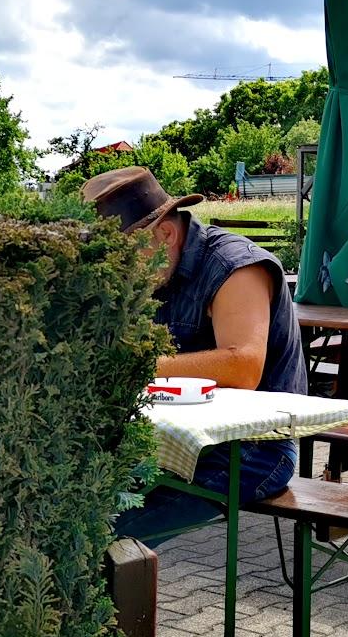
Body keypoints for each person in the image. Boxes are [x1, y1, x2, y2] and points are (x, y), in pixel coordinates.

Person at [82, 166, 307, 545]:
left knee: (102, 540)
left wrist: (127, 364)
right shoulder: (151, 271)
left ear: (165, 233)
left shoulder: (236, 265)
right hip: (170, 443)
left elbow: (243, 365)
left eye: (121, 255)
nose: (115, 269)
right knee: (65, 516)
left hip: (252, 452)